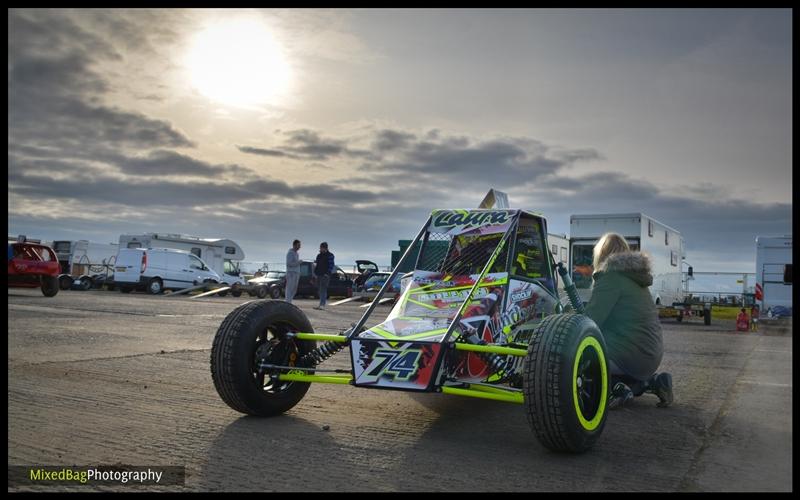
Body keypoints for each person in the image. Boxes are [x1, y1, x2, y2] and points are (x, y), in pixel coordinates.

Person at [583, 233, 673, 409]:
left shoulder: (610, 277)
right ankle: (653, 382)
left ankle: (614, 389)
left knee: (581, 358)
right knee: (610, 349)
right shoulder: (636, 280)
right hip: (651, 354)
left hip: (629, 355)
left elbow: (590, 322)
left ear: (600, 254)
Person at [313, 242, 334, 310]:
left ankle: (322, 305)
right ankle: (320, 304)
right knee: (319, 290)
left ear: (325, 248)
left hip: (325, 275)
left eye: (321, 248)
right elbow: (316, 264)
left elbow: (331, 265)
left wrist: (327, 273)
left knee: (323, 289)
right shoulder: (319, 255)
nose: (320, 249)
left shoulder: (330, 255)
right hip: (318, 274)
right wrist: (315, 273)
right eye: (320, 248)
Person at [285, 239, 301, 304]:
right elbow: (288, 264)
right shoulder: (290, 253)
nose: (299, 247)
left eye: (300, 245)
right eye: (298, 245)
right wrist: (298, 262)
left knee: (294, 289)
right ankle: (288, 302)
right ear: (294, 245)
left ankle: (289, 301)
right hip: (291, 273)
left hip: (296, 273)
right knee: (290, 288)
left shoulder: (296, 253)